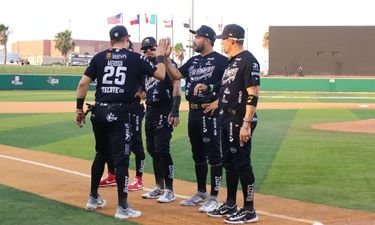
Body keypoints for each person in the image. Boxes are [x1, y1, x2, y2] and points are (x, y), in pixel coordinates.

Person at [75, 25, 167, 220]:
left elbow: (83, 83)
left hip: (98, 111)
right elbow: (161, 75)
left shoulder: (99, 57)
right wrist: (160, 57)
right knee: (122, 159)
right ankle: (123, 207)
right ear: (127, 39)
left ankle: (93, 198)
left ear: (110, 41)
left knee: (101, 154)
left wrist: (78, 109)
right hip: (120, 112)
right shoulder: (135, 57)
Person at [164, 25, 228, 213]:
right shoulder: (192, 61)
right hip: (193, 112)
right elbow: (175, 75)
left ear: (207, 39)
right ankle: (201, 193)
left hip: (210, 112)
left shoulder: (221, 61)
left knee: (214, 155)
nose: (194, 40)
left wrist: (218, 101)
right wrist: (167, 59)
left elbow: (230, 84)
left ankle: (214, 197)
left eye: (197, 37)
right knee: (198, 154)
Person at [206, 24, 260, 224]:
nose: (221, 43)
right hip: (226, 117)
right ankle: (230, 203)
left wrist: (246, 123)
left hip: (239, 119)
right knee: (229, 162)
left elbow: (253, 93)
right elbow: (227, 89)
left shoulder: (248, 61)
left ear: (232, 40)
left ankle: (249, 208)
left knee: (242, 163)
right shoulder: (231, 62)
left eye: (223, 39)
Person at [99, 40, 146, 190]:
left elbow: (144, 94)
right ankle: (112, 175)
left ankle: (139, 178)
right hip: (118, 110)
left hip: (134, 109)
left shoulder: (137, 67)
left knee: (136, 144)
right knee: (111, 144)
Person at [139, 37, 181, 203]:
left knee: (163, 150)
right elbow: (143, 93)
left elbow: (177, 87)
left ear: (159, 48)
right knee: (152, 149)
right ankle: (159, 186)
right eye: (145, 49)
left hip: (165, 110)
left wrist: (175, 110)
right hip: (150, 111)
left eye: (151, 47)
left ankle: (170, 190)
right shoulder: (146, 69)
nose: (148, 51)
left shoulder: (168, 65)